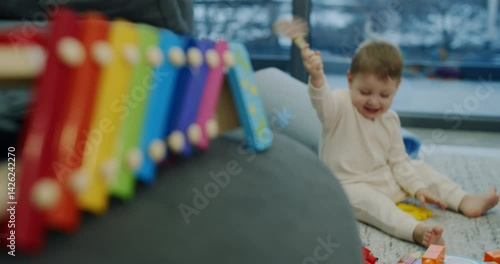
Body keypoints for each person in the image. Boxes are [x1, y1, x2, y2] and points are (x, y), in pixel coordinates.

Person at [301, 40, 499, 247]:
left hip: (384, 178)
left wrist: (418, 188)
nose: (374, 102)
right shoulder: (339, 105)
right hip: (348, 186)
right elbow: (322, 101)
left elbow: (398, 162)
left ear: (397, 87)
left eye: (384, 95)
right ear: (350, 81)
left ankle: (463, 200)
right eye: (365, 92)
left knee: (418, 167)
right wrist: (317, 78)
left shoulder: (390, 119)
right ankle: (417, 231)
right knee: (376, 205)